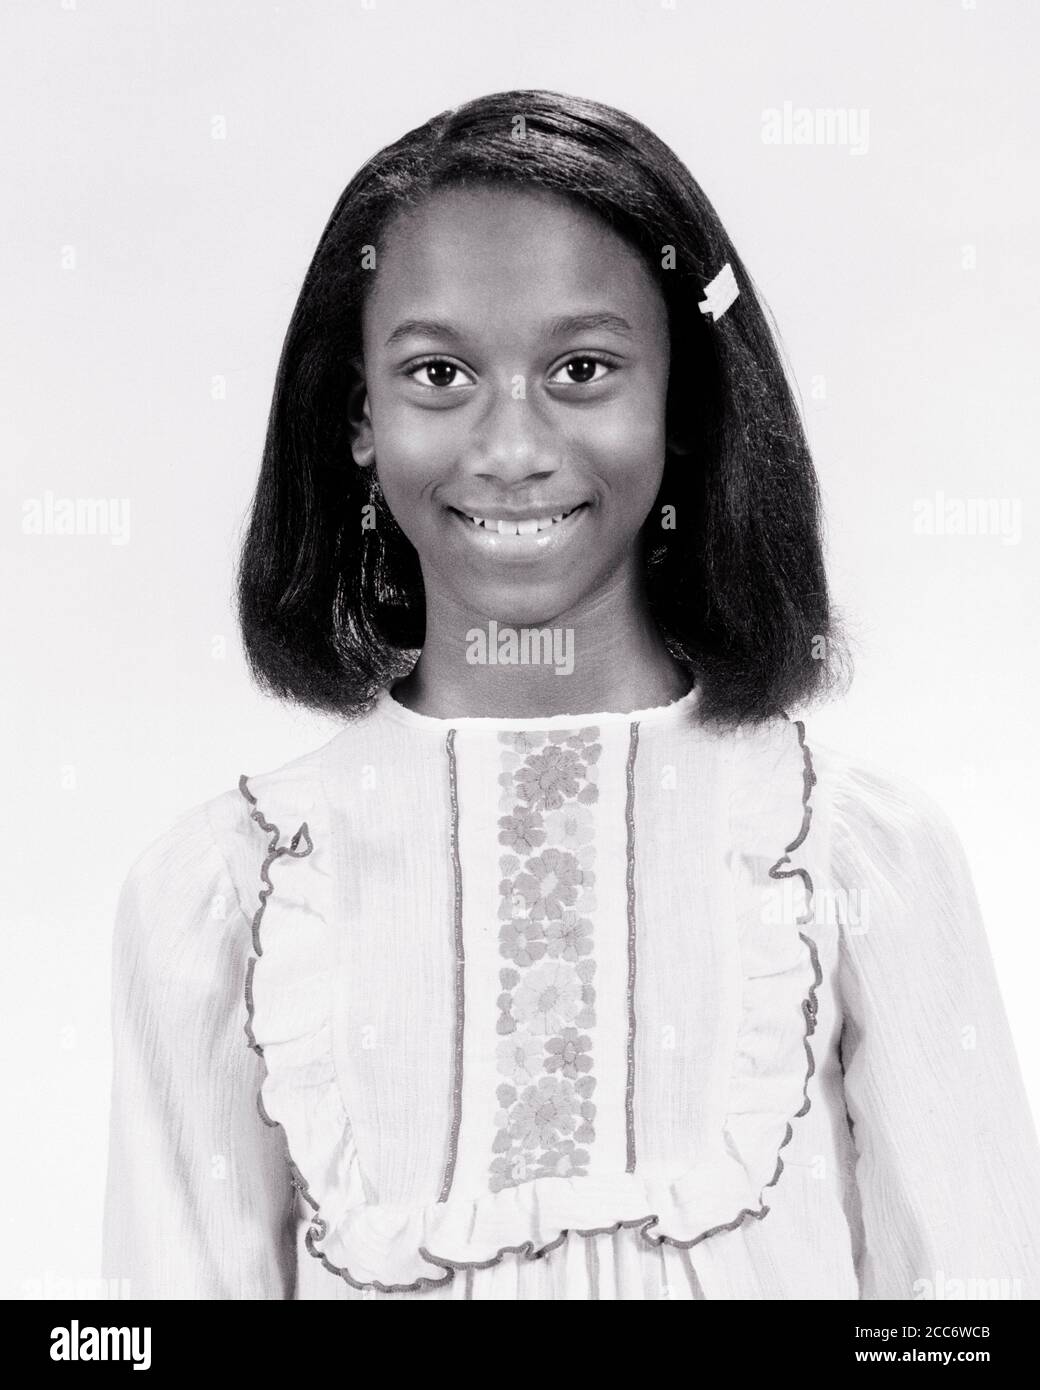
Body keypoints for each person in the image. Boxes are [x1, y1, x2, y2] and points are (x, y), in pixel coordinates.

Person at [101, 89, 1040, 1300]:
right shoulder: (228, 896)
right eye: (438, 373)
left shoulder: (854, 862)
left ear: (685, 405)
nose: (510, 446)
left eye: (581, 368)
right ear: (356, 420)